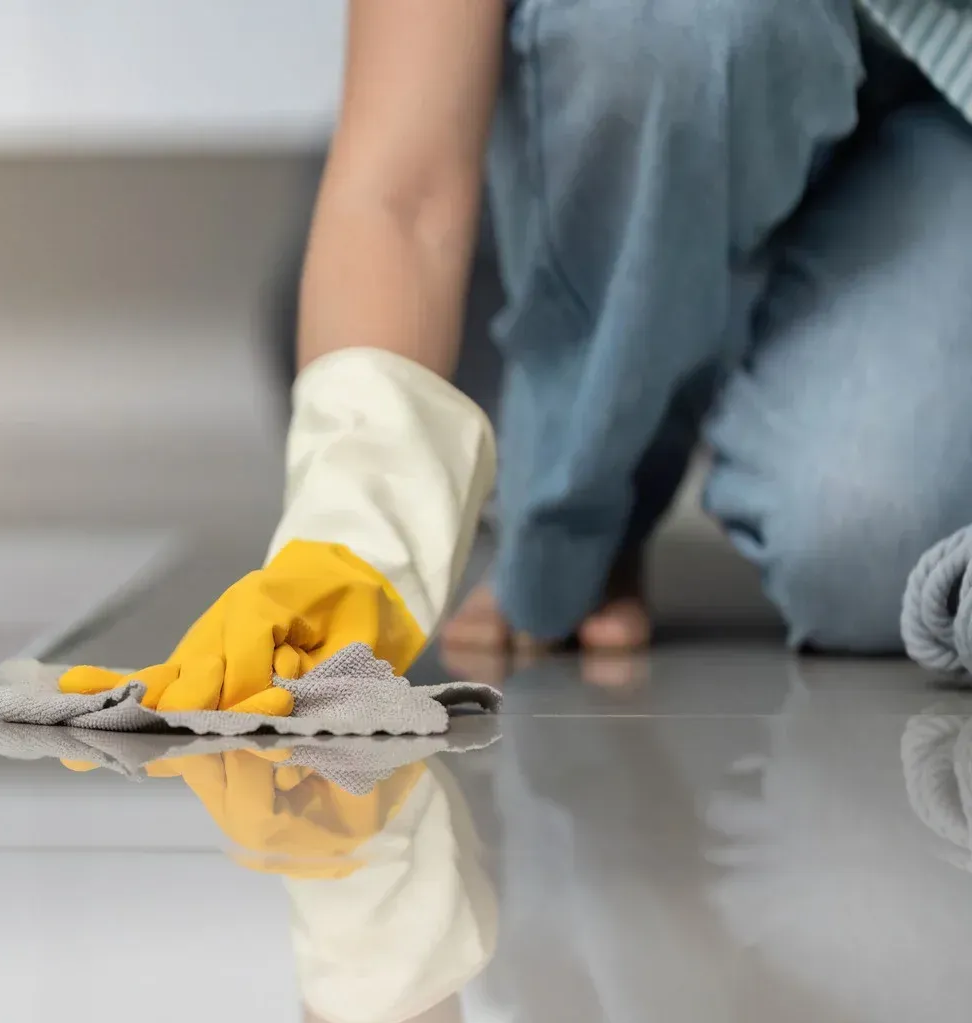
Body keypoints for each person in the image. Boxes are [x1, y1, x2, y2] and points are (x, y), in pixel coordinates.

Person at [63, 0, 972, 714]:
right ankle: (601, 394)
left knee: (878, 541)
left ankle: (695, 310)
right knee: (676, 24)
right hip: (627, 92)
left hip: (928, 124)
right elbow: (404, 190)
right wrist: (350, 538)